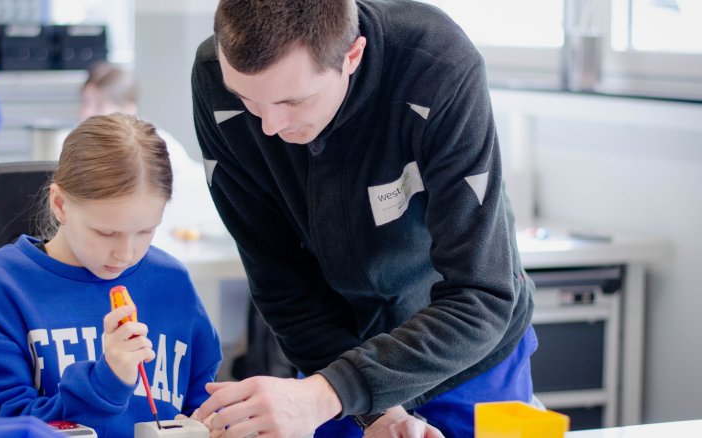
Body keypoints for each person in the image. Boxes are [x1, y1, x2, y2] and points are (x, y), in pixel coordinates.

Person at [190, 1, 537, 437]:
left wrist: (330, 392)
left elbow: (483, 294)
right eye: (247, 100)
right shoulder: (213, 77)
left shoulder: (438, 66)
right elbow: (280, 283)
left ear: (351, 55)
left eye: (293, 101)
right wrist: (370, 408)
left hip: (466, 350)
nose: (270, 126)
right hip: (332, 350)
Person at [0, 114, 223, 437]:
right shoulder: (0, 287)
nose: (126, 253)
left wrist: (220, 421)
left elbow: (201, 404)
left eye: (146, 231)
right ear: (60, 204)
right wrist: (105, 384)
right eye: (106, 232)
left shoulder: (172, 282)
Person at [79, 62, 223, 243]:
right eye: (85, 103)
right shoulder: (82, 146)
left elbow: (198, 189)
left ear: (128, 109)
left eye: (99, 106)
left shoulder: (157, 146)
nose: (87, 113)